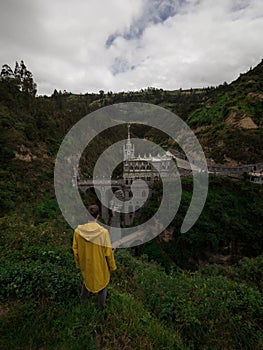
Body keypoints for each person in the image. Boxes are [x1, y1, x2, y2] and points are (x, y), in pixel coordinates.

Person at [72, 204, 117, 309]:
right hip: (99, 266)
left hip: (86, 265)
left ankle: (83, 302)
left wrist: (79, 264)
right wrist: (112, 267)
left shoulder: (78, 232)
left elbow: (75, 250)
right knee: (102, 285)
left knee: (86, 281)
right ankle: (101, 308)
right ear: (98, 216)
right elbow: (108, 253)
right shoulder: (103, 233)